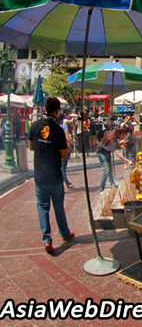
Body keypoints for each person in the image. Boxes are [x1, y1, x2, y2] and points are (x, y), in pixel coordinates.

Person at [28, 97, 75, 255]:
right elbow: (63, 153)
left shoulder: (34, 126)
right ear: (57, 111)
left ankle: (46, 239)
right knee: (58, 206)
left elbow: (31, 147)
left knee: (42, 207)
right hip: (54, 175)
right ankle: (65, 233)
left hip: (39, 176)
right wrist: (67, 147)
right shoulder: (57, 130)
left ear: (44, 109)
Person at [96, 127, 134, 192]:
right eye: (122, 135)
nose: (123, 136)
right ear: (119, 134)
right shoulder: (112, 140)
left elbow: (113, 144)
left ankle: (112, 184)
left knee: (110, 169)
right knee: (106, 170)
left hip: (106, 152)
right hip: (101, 153)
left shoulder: (113, 137)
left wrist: (119, 143)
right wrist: (128, 161)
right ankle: (101, 189)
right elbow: (118, 155)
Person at [58, 113, 73, 188]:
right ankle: (65, 182)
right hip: (64, 149)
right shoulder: (63, 128)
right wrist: (71, 139)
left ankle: (62, 182)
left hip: (55, 150)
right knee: (63, 167)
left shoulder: (53, 128)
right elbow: (68, 139)